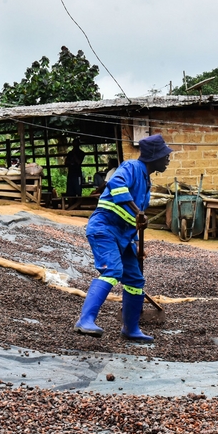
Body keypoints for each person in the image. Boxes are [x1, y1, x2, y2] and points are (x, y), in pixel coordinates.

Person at [73, 134, 172, 342]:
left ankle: (131, 328)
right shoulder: (131, 167)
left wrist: (136, 243)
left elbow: (134, 220)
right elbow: (116, 184)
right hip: (104, 228)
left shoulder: (146, 181)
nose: (168, 159)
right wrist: (137, 211)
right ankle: (85, 320)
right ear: (154, 157)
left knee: (135, 279)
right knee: (113, 270)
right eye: (165, 156)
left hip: (124, 236)